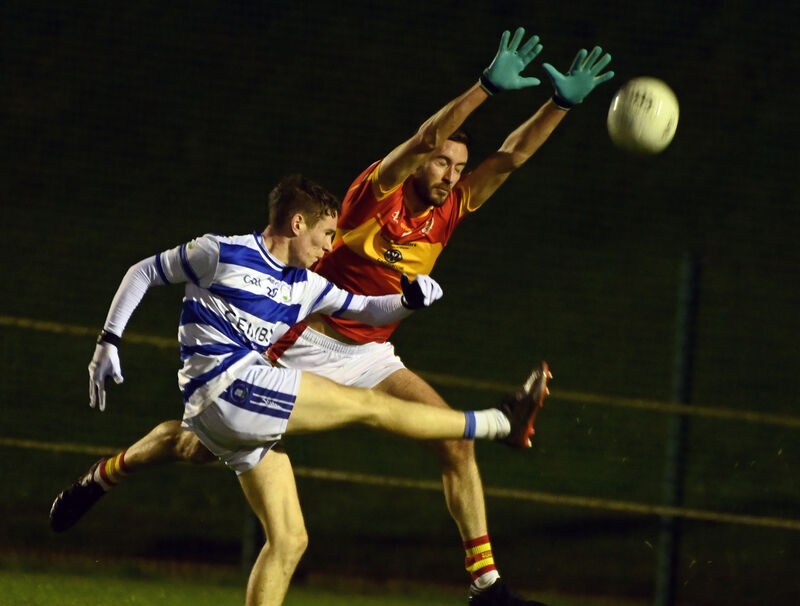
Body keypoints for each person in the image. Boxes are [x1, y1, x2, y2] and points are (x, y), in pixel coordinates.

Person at [51, 27, 611, 605]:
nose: (449, 174)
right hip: (300, 342)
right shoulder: (375, 194)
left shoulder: (452, 210)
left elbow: (511, 159)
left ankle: (487, 587)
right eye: (442, 162)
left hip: (370, 349)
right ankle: (108, 472)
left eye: (457, 166)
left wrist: (560, 104)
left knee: (452, 442)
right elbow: (423, 137)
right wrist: (484, 88)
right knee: (196, 442)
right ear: (422, 163)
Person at [58, 172, 549, 606]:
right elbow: (143, 271)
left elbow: (366, 310)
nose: (328, 247)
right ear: (297, 224)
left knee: (290, 539)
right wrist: (109, 341)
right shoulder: (221, 252)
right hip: (230, 388)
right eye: (325, 235)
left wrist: (407, 300)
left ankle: (101, 477)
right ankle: (500, 422)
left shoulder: (305, 284)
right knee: (369, 407)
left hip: (223, 412)